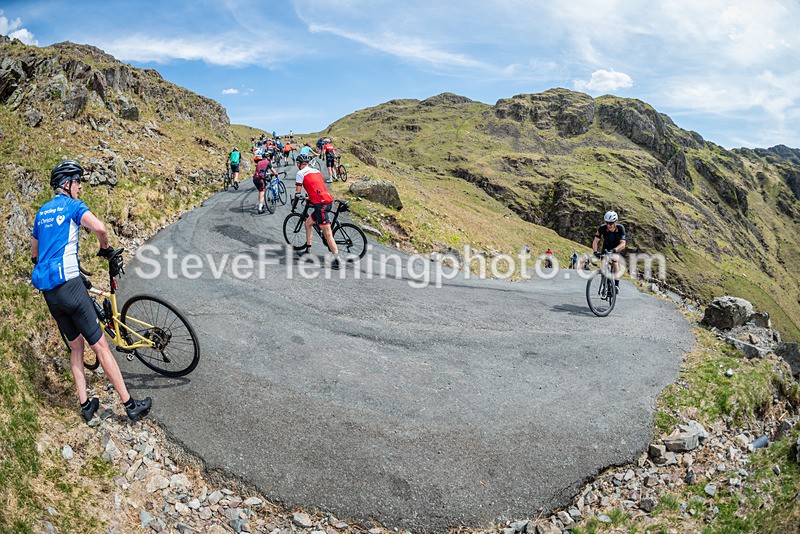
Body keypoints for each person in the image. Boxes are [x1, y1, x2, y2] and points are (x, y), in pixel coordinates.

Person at [31, 160, 151, 422]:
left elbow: (34, 254)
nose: (80, 187)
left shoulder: (41, 213)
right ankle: (130, 405)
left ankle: (86, 406)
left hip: (50, 293)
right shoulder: (73, 206)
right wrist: (105, 248)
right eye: (77, 182)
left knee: (76, 348)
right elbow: (100, 228)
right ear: (67, 184)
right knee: (101, 347)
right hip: (70, 285)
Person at [293, 154, 339, 268]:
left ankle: (337, 260)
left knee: (327, 233)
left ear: (299, 164)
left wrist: (293, 206)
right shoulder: (316, 171)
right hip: (327, 201)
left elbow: (297, 194)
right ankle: (308, 249)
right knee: (308, 223)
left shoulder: (300, 173)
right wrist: (310, 197)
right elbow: (318, 187)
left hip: (320, 205)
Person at [592, 211, 627, 292]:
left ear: (615, 222)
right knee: (603, 263)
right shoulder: (602, 228)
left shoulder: (620, 228)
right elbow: (595, 241)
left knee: (615, 261)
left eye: (611, 223)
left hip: (616, 247)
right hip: (606, 247)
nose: (608, 225)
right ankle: (604, 285)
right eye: (607, 223)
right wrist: (595, 252)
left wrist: (614, 250)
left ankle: (616, 285)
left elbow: (623, 244)